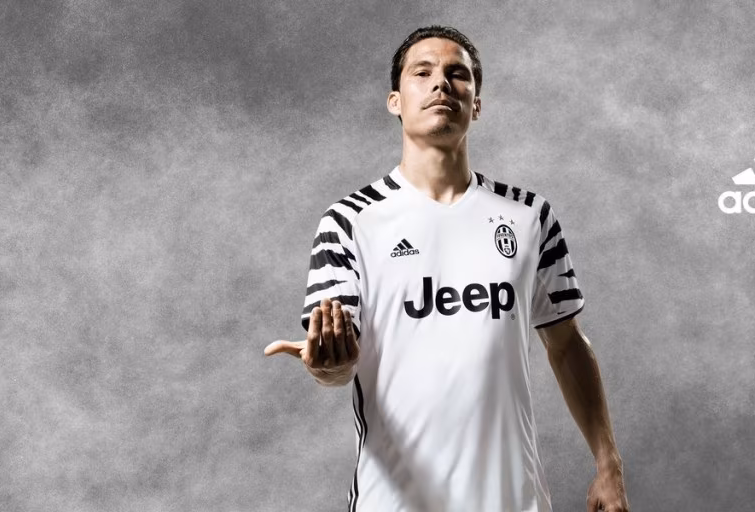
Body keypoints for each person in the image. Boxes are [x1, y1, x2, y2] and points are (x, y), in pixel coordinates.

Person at [265, 25, 629, 512]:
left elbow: (566, 344)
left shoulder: (529, 216)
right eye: (423, 72)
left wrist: (608, 463)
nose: (441, 82)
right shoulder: (349, 221)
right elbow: (337, 361)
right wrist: (326, 365)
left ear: (476, 104)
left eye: (458, 74)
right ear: (395, 101)